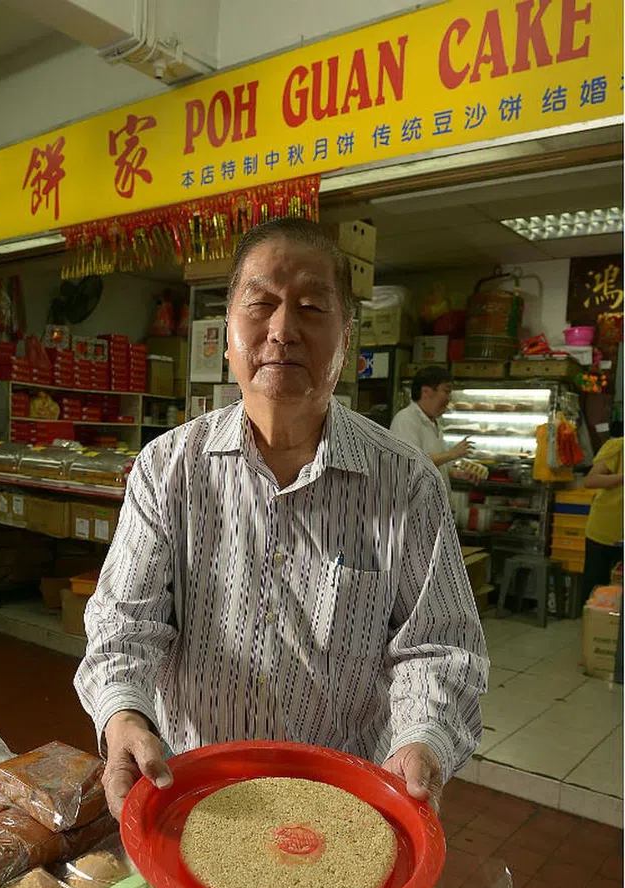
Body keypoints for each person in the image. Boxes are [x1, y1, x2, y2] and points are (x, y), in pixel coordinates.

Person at [74, 218, 488, 820]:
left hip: (342, 804)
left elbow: (440, 647)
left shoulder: (407, 483)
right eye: (260, 304)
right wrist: (123, 716)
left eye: (313, 307)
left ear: (346, 340)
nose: (283, 329)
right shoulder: (168, 469)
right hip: (196, 793)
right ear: (226, 334)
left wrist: (420, 739)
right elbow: (123, 625)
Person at [389, 367, 474, 499]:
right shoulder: (406, 419)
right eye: (446, 391)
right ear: (426, 391)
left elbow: (435, 464)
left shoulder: (434, 423)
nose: (449, 398)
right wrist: (451, 454)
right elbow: (411, 465)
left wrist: (455, 473)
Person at [582, 421, 623, 605]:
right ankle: (594, 629)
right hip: (604, 532)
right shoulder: (618, 446)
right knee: (597, 591)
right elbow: (591, 480)